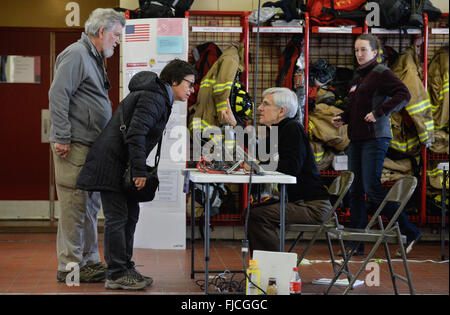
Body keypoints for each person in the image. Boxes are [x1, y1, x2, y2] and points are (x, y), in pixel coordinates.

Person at [76, 59, 196, 290]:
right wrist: (140, 170)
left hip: (121, 164)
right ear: (174, 81)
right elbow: (136, 134)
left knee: (130, 215)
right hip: (111, 164)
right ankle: (116, 273)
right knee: (118, 218)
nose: (191, 90)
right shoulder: (154, 97)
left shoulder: (159, 95)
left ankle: (125, 266)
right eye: (189, 84)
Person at [49, 8, 125, 282]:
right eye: (116, 35)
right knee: (74, 206)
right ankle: (69, 266)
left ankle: (90, 261)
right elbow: (58, 95)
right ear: (101, 31)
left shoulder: (92, 58)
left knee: (89, 206)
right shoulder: (76, 54)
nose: (118, 40)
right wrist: (61, 136)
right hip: (74, 145)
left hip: (90, 147)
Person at [331, 34, 421, 256]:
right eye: (356, 50)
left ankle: (410, 231)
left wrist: (380, 112)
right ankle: (356, 244)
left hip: (376, 138)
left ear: (374, 52)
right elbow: (356, 108)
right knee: (355, 190)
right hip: (357, 139)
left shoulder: (382, 73)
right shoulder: (358, 77)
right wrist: (344, 117)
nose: (359, 54)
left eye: (363, 50)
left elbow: (404, 95)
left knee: (372, 187)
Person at [241, 87, 332, 253]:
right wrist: (235, 125)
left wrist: (259, 165)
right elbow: (259, 150)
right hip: (301, 203)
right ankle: (267, 268)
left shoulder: (292, 129)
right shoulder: (281, 130)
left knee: (256, 215)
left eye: (265, 104)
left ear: (281, 111)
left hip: (313, 207)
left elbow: (290, 169)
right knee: (253, 212)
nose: (260, 108)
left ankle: (273, 269)